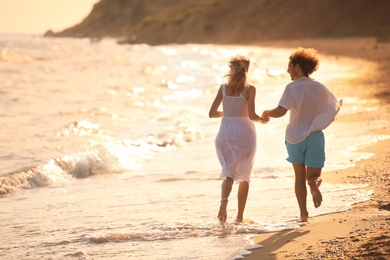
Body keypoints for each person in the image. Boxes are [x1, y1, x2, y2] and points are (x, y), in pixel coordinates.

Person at [261, 48, 342, 222]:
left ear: (297, 66)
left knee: (299, 176)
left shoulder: (291, 88)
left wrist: (267, 112)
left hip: (294, 137)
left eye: (289, 66)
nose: (287, 70)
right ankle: (313, 185)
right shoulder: (320, 88)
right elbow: (332, 107)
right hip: (314, 136)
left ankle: (303, 214)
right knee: (313, 176)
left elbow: (281, 111)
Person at [209, 55, 268, 224]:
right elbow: (251, 115)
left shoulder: (223, 89)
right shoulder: (250, 89)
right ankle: (239, 216)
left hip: (225, 133)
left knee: (228, 172)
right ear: (246, 70)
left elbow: (212, 113)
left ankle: (223, 204)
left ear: (231, 70)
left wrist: (229, 113)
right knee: (244, 175)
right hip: (244, 133)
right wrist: (262, 120)